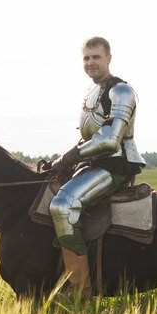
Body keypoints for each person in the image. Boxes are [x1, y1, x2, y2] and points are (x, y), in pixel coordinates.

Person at [46, 37, 146, 294]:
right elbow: (88, 137)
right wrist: (62, 160)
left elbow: (111, 140)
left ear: (109, 58)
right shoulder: (92, 93)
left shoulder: (121, 91)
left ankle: (81, 289)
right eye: (86, 58)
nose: (91, 63)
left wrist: (71, 157)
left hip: (115, 166)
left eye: (96, 57)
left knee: (62, 205)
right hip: (93, 164)